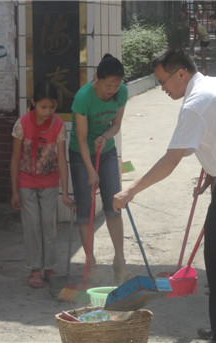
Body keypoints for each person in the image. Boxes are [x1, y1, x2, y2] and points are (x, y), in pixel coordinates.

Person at [113, 47, 216, 343]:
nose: (162, 89)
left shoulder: (195, 104)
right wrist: (214, 159)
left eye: (163, 82)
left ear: (181, 74)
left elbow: (171, 160)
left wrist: (131, 190)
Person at [69, 53, 130, 285]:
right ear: (97, 78)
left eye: (116, 85)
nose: (112, 90)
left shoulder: (122, 92)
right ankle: (90, 265)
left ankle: (120, 263)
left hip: (106, 150)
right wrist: (90, 171)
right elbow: (82, 139)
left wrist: (105, 136)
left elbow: (116, 125)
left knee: (115, 205)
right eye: (108, 85)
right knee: (85, 210)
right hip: (80, 153)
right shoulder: (83, 98)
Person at [10, 80, 73, 288]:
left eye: (52, 107)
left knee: (48, 223)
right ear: (33, 103)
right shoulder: (21, 124)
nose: (48, 111)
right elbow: (15, 158)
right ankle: (35, 268)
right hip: (25, 181)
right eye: (43, 106)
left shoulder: (59, 126)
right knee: (32, 225)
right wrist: (14, 191)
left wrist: (65, 192)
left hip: (49, 181)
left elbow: (62, 160)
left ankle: (49, 266)